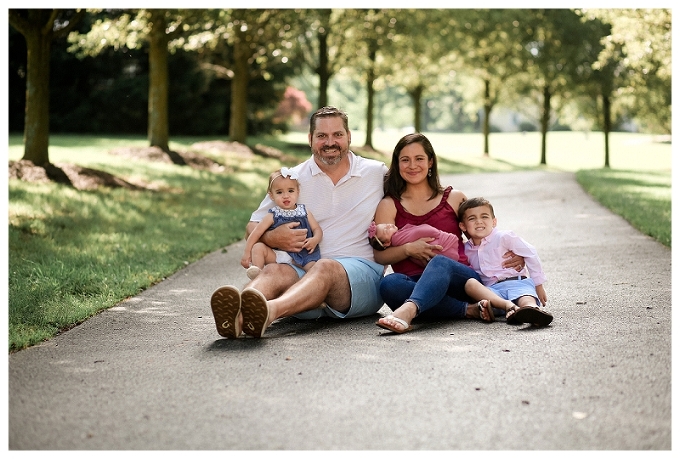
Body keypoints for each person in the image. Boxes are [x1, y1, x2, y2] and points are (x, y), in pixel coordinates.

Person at [209, 106, 388, 338]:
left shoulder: (376, 173)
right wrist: (271, 237)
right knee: (274, 271)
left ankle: (269, 311)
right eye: (322, 136)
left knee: (325, 266)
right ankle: (237, 316)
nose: (330, 142)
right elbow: (252, 226)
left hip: (360, 283)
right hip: (303, 278)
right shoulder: (292, 178)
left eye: (337, 135)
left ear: (349, 136)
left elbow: (417, 190)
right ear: (310, 139)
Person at [373, 132, 524, 334]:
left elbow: (484, 237)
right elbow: (380, 255)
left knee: (440, 262)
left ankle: (408, 311)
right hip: (413, 281)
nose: (412, 165)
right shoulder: (389, 205)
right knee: (389, 284)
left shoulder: (454, 198)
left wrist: (515, 255)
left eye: (419, 159)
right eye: (405, 160)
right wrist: (409, 249)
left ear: (430, 162)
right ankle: (469, 310)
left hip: (459, 279)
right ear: (397, 163)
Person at [457, 196, 553, 326]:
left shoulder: (504, 237)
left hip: (516, 282)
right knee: (470, 284)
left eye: (484, 216)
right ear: (463, 226)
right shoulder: (465, 249)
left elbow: (530, 253)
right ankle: (510, 309)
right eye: (472, 218)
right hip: (492, 292)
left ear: (494, 221)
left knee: (525, 298)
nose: (479, 221)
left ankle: (532, 312)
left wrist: (538, 285)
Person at [240, 167, 322, 280]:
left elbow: (317, 229)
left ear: (298, 192)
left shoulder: (305, 212)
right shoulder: (272, 215)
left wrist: (315, 239)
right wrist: (246, 253)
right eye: (279, 192)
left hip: (304, 254)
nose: (286, 196)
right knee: (258, 247)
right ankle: (257, 274)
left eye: (290, 191)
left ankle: (309, 286)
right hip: (279, 255)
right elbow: (255, 233)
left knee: (315, 271)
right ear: (271, 196)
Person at [367, 221, 459, 263]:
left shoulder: (398, 235)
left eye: (386, 225)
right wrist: (436, 233)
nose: (389, 226)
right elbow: (419, 232)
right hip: (442, 248)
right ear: (387, 243)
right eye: (386, 230)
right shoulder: (397, 238)